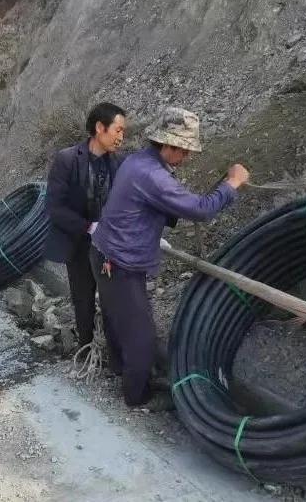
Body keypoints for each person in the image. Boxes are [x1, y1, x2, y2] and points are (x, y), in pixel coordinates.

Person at [90, 108, 250, 410]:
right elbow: (201, 210)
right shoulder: (153, 175)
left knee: (116, 319)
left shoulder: (137, 160)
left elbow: (158, 203)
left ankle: (120, 371)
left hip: (104, 254)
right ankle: (137, 397)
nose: (186, 157)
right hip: (119, 263)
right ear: (168, 145)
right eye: (185, 150)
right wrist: (232, 183)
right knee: (143, 338)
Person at [44, 103, 126, 351]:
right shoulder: (67, 159)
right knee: (83, 299)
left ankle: (115, 358)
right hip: (79, 243)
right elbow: (54, 207)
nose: (121, 137)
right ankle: (85, 347)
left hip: (110, 248)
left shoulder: (119, 164)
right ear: (100, 128)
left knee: (114, 301)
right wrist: (89, 227)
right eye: (118, 130)